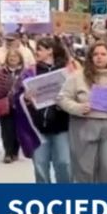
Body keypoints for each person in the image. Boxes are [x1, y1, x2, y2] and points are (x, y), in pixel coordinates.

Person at [60, 41, 107, 184]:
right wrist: (77, 108)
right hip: (84, 127)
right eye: (95, 54)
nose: (99, 57)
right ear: (90, 57)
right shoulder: (77, 76)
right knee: (85, 170)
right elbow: (62, 98)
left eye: (103, 54)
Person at [23, 36, 74, 184]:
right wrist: (25, 98)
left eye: (39, 49)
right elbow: (17, 95)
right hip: (37, 127)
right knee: (40, 165)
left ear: (50, 51)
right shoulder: (31, 71)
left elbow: (76, 91)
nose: (36, 52)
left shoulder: (66, 70)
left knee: (64, 163)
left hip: (61, 124)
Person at [0, 46, 28, 163]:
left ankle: (15, 151)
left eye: (15, 56)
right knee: (6, 129)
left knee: (18, 130)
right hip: (4, 105)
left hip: (20, 105)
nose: (13, 59)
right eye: (10, 56)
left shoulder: (25, 72)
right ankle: (8, 153)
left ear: (20, 59)